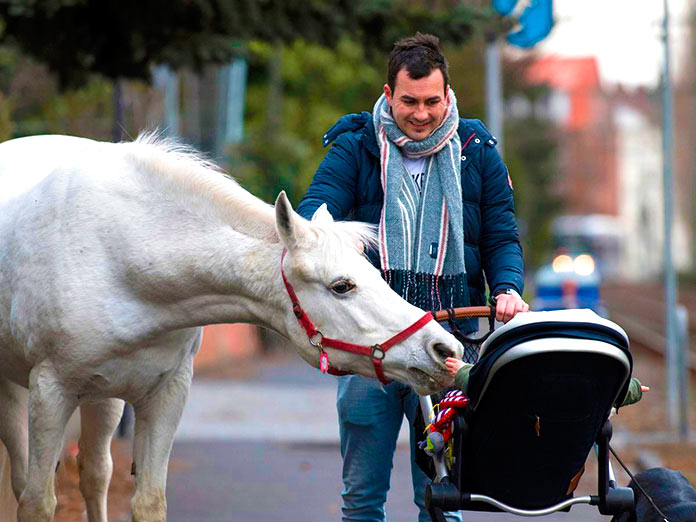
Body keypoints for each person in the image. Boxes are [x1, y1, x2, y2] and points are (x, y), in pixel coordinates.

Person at [297, 33, 529, 522]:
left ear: (447, 96)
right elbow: (312, 218)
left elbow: (501, 238)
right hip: (371, 349)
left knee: (443, 501)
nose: (421, 114)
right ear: (388, 95)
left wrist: (507, 287)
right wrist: (334, 240)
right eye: (408, 101)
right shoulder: (357, 146)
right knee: (361, 501)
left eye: (431, 101)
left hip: (448, 345)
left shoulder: (477, 151)